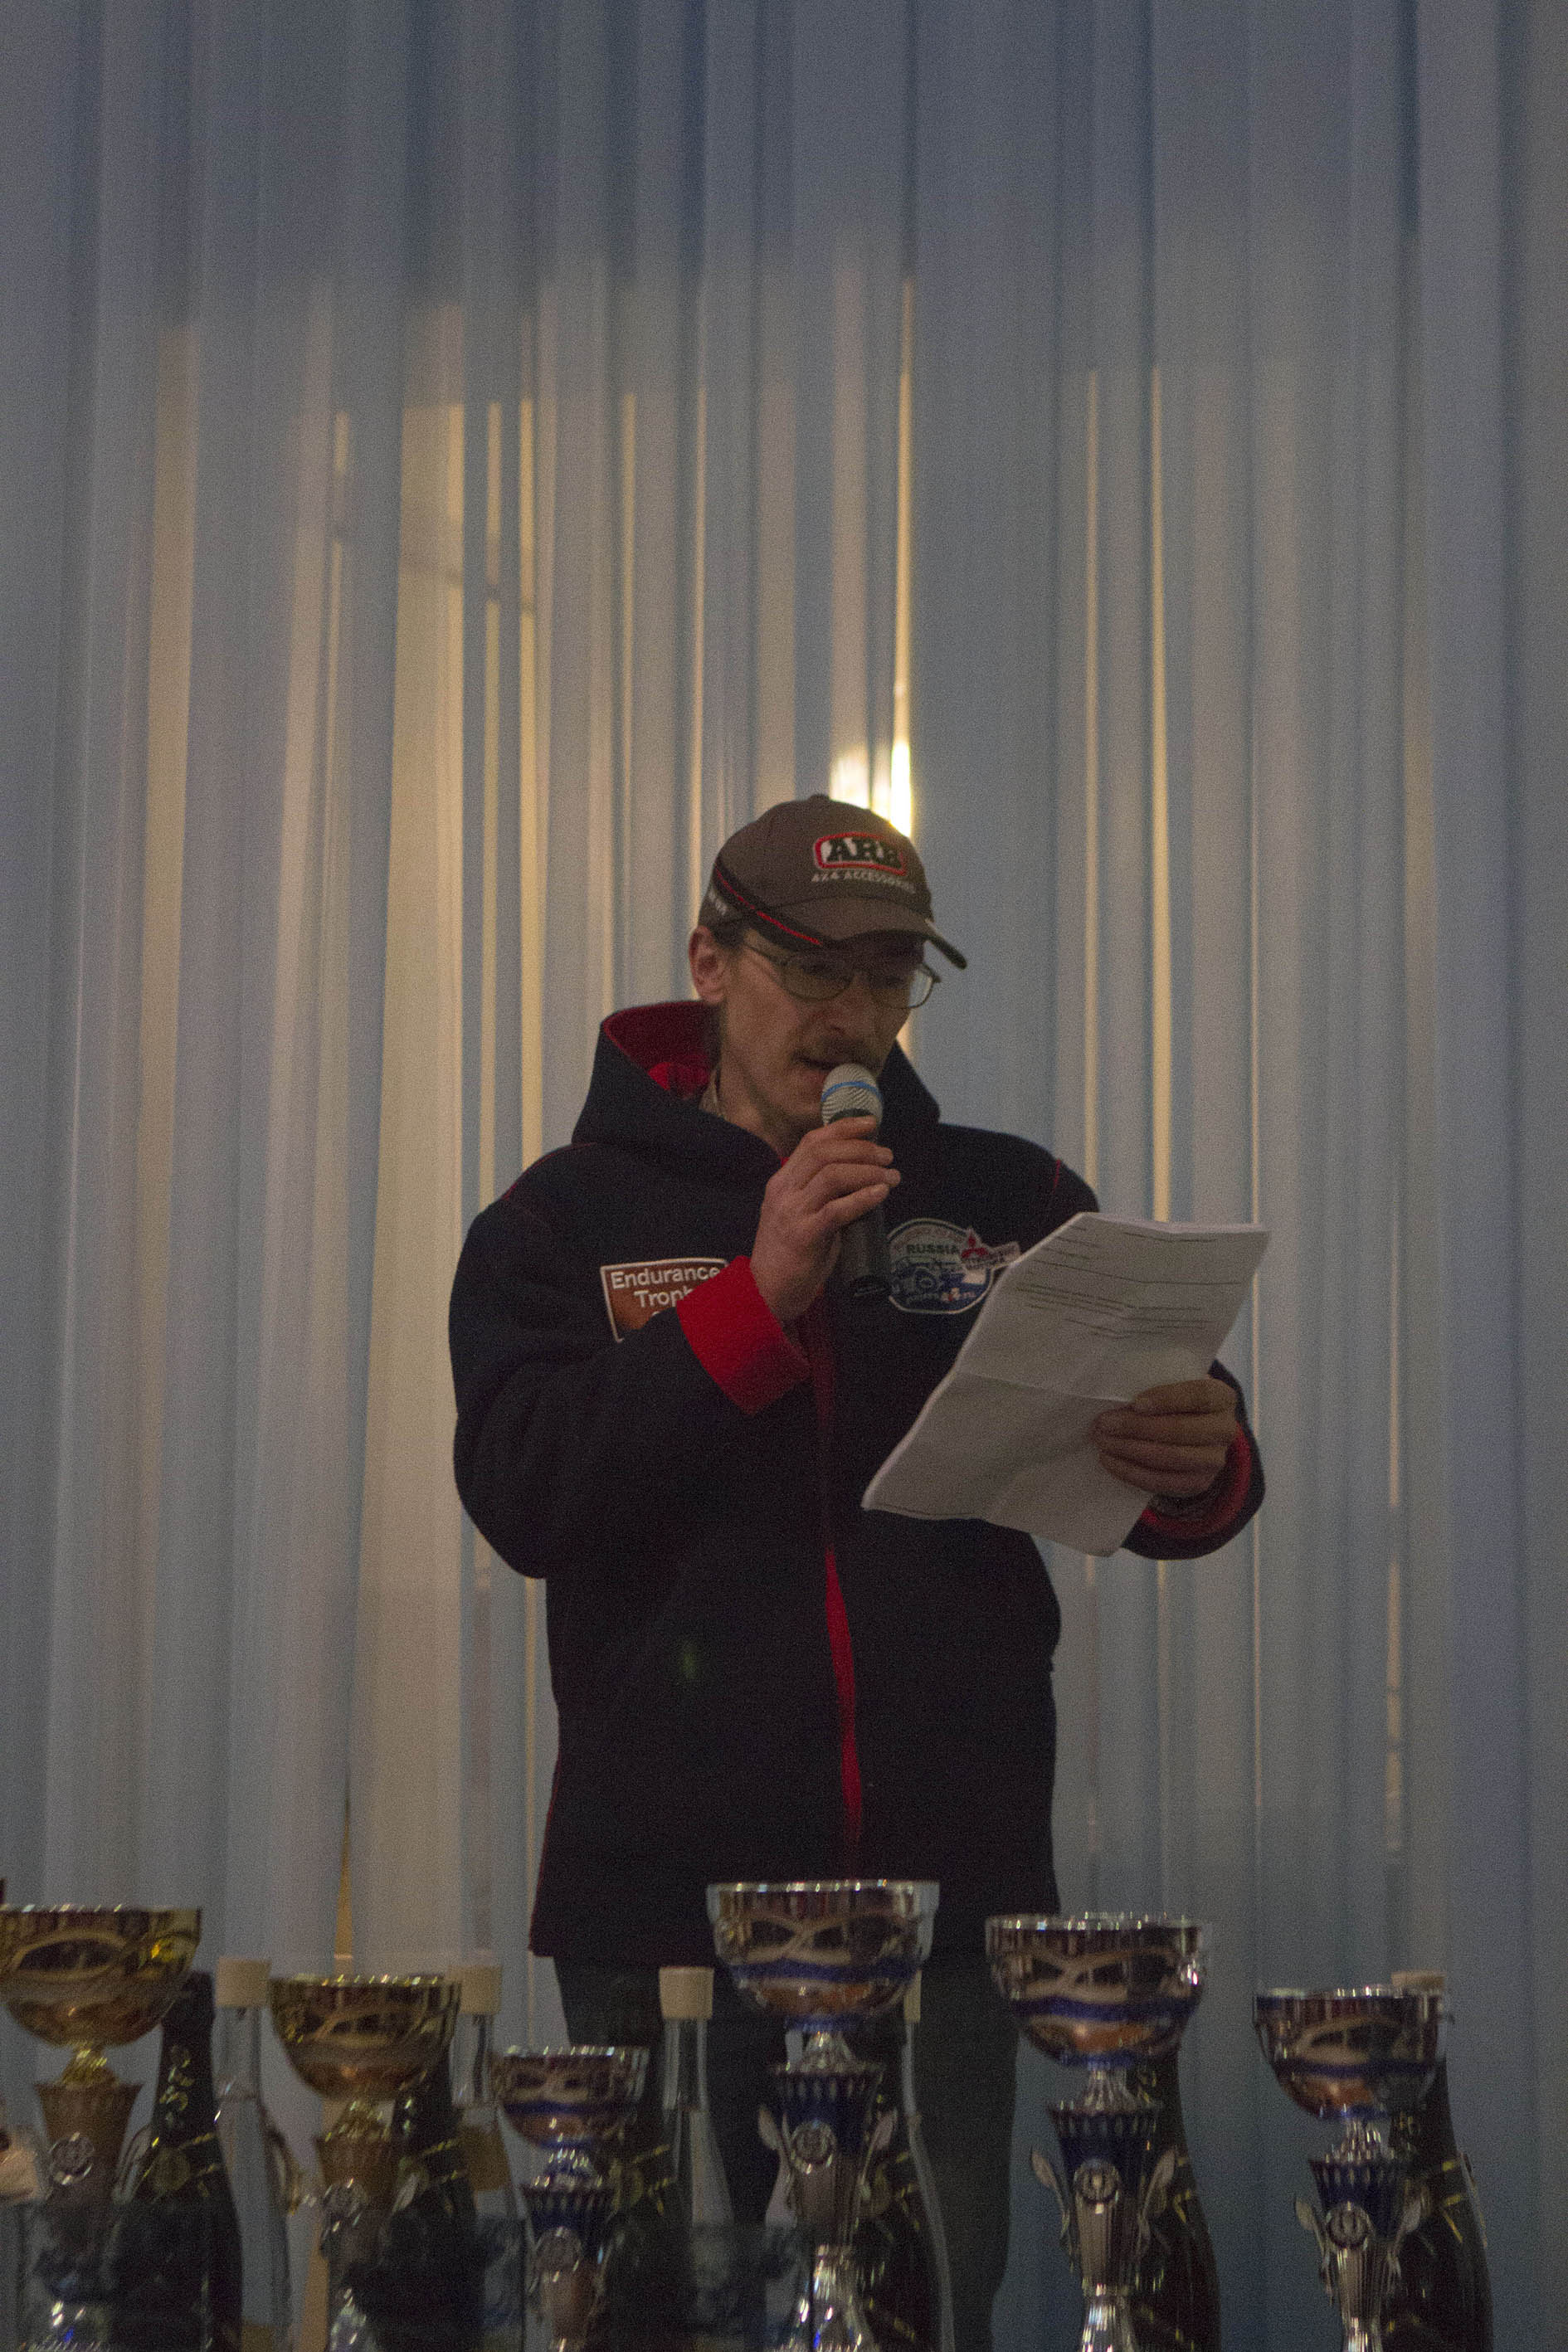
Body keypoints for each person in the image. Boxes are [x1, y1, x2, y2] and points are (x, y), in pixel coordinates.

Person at [449, 795, 1262, 2349]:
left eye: (888, 978)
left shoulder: (1007, 1198)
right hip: (666, 1909)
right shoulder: (561, 1219)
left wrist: (1195, 1453)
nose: (852, 1017)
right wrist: (753, 1295)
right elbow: (527, 1493)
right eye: (813, 970)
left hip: (945, 1895)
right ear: (709, 963)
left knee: (926, 2308)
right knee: (663, 2317)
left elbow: (1167, 1471)